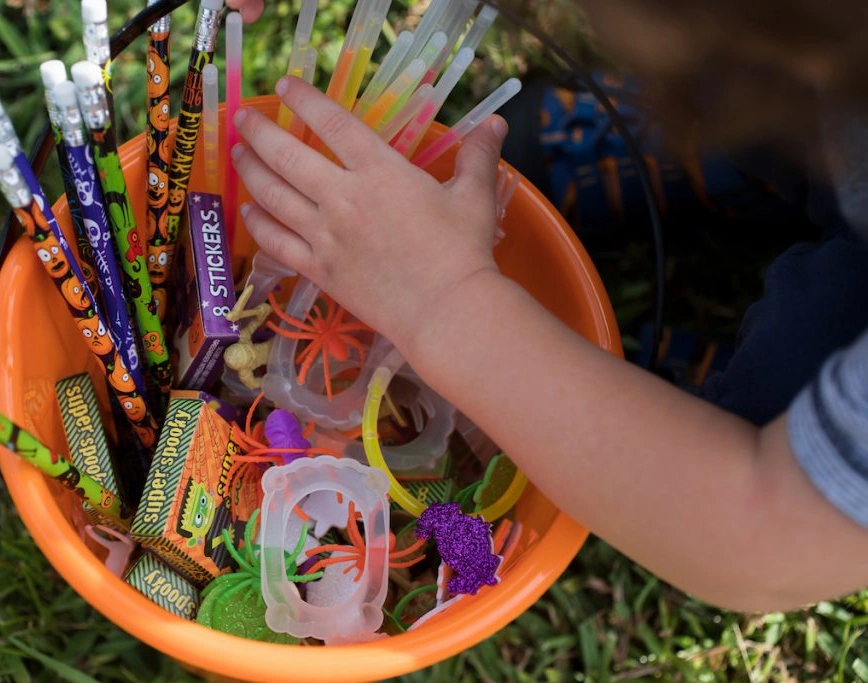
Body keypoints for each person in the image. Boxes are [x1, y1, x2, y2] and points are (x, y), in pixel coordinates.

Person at [223, 0, 868, 612]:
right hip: (814, 87)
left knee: (735, 444)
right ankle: (728, 137)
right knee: (747, 91)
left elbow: (758, 534)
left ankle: (692, 423)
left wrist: (442, 300)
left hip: (781, 475)